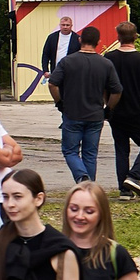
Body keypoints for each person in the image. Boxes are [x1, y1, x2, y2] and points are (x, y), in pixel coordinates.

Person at [48, 26, 119, 186]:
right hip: (95, 115)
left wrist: (59, 102)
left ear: (79, 40)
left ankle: (81, 177)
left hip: (72, 113)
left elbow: (53, 84)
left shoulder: (67, 61)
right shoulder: (106, 64)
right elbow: (117, 91)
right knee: (90, 154)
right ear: (98, 42)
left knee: (70, 151)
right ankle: (90, 188)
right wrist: (108, 109)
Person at [103, 24, 140, 198]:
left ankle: (124, 190)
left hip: (115, 110)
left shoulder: (109, 58)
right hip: (137, 109)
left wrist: (108, 105)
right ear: (135, 36)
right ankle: (134, 176)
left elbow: (104, 85)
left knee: (121, 149)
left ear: (118, 37)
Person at [37, 13, 81, 87]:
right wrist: (45, 70)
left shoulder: (77, 38)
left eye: (67, 25)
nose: (65, 27)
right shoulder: (52, 37)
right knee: (56, 89)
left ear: (71, 26)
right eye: (63, 25)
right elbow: (45, 54)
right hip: (56, 70)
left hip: (72, 71)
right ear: (60, 25)